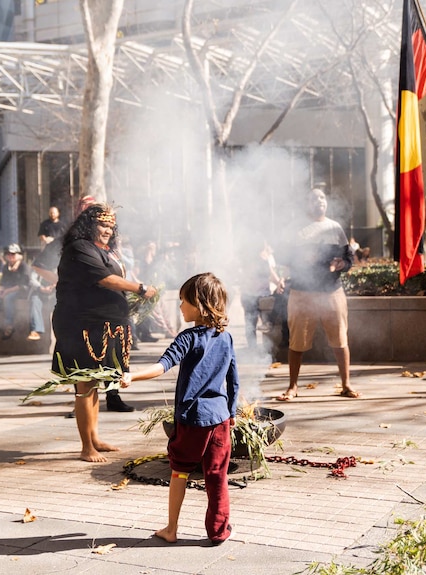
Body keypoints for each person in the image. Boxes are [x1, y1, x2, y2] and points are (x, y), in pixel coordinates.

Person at [121, 272, 238, 546]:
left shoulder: (188, 338)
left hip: (193, 419)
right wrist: (231, 413)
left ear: (199, 304)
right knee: (216, 474)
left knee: (180, 471)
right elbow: (233, 381)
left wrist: (132, 376)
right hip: (220, 417)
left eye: (183, 301)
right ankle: (218, 531)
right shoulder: (226, 338)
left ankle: (171, 528)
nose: (180, 306)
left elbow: (163, 365)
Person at [53, 204, 158, 461]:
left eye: (111, 226)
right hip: (82, 326)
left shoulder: (106, 251)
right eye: (102, 225)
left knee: (96, 383)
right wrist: (140, 288)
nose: (107, 231)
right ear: (89, 226)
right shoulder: (79, 248)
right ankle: (86, 446)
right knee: (85, 384)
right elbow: (104, 279)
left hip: (105, 325)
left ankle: (95, 438)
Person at [275, 187, 358, 401]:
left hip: (332, 293)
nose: (319, 201)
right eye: (313, 198)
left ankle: (346, 384)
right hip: (302, 294)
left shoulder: (335, 227)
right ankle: (292, 387)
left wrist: (342, 263)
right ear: (306, 204)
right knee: (297, 342)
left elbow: (349, 258)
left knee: (340, 339)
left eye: (322, 197)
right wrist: (301, 260)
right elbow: (282, 257)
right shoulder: (295, 229)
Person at [240, 238, 282, 349]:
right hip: (252, 296)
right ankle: (255, 350)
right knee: (251, 325)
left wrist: (279, 283)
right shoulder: (252, 259)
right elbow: (270, 274)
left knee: (263, 325)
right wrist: (278, 282)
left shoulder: (262, 259)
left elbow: (271, 274)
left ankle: (264, 350)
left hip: (261, 296)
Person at [0, 244, 32, 340]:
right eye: (8, 254)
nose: (10, 256)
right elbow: (3, 282)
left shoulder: (23, 266)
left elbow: (24, 284)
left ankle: (9, 325)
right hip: (8, 290)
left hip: (21, 291)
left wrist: (7, 291)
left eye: (13, 254)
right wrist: (1, 290)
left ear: (19, 255)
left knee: (8, 298)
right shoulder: (5, 267)